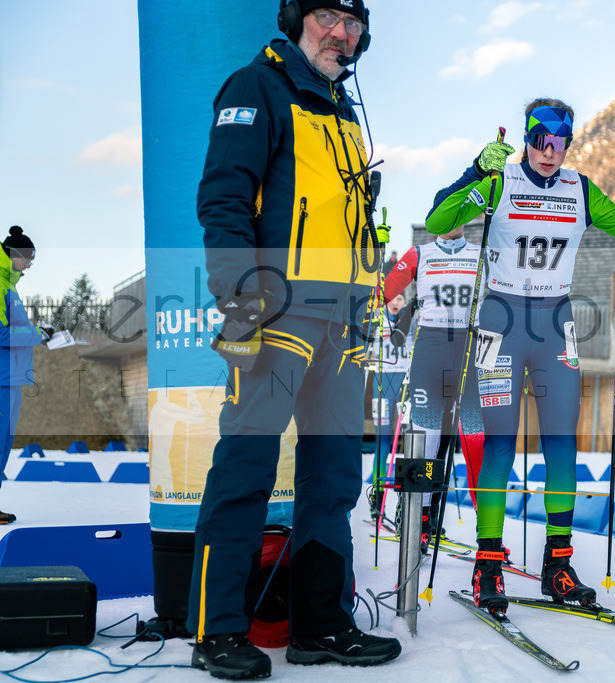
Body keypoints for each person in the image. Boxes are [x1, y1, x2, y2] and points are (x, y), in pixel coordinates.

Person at [188, 1, 400, 678]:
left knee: (334, 479)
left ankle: (321, 625)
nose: (343, 33)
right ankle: (217, 630)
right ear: (295, 19)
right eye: (329, 17)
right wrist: (240, 302)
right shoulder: (258, 87)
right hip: (277, 313)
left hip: (343, 320)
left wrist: (369, 301)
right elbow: (224, 199)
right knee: (247, 467)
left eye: (353, 23)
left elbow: (354, 221)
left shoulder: (343, 109)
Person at [425, 99, 615, 613]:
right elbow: (438, 217)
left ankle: (558, 563)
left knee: (560, 444)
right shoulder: (500, 182)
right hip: (502, 321)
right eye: (539, 140)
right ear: (527, 137)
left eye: (560, 142)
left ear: (569, 142)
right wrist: (474, 170)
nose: (549, 152)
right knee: (501, 443)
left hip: (555, 324)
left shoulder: (579, 188)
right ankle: (489, 563)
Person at [382, 225, 486, 553]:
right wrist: (376, 260)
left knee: (472, 439)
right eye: (445, 213)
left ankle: (488, 531)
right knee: (425, 440)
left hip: (470, 352)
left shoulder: (481, 254)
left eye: (459, 215)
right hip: (431, 352)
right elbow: (385, 291)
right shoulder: (421, 253)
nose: (452, 221)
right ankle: (417, 517)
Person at [0, 226, 54, 525]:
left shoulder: (9, 283)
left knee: (3, 444)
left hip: (9, 378)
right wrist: (36, 333)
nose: (31, 264)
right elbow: (1, 333)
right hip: (2, 379)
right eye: (29, 258)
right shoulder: (0, 282)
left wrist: (40, 334)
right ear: (16, 255)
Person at [366, 292, 413, 517]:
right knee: (382, 441)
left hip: (405, 384)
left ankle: (406, 501)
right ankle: (378, 496)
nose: (396, 302)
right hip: (382, 383)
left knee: (409, 443)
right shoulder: (377, 319)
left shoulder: (412, 318)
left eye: (400, 299)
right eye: (392, 298)